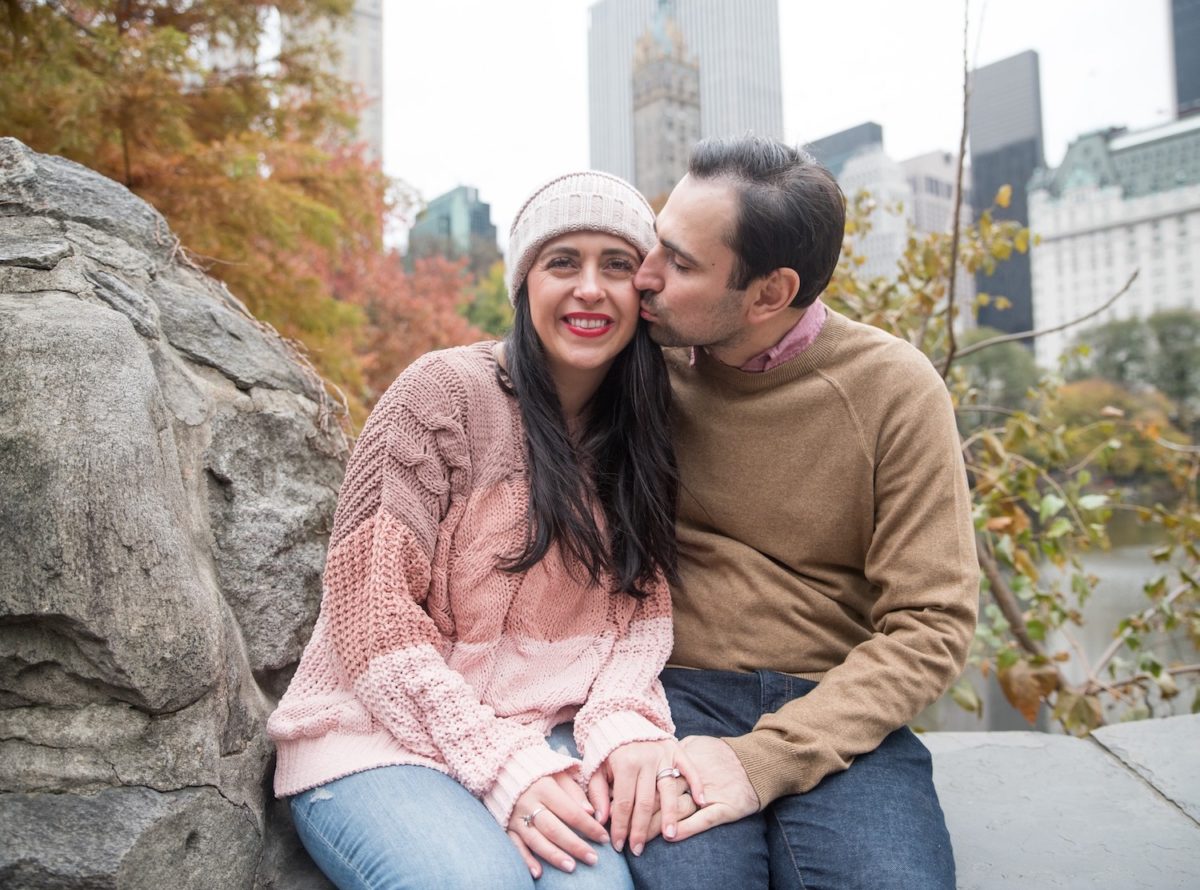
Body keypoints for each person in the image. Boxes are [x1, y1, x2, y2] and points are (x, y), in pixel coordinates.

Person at [267, 171, 699, 890]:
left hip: (541, 735)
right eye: (564, 262)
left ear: (642, 294)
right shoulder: (440, 395)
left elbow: (642, 617)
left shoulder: (644, 427)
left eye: (616, 265)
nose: (590, 288)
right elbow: (370, 618)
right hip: (379, 737)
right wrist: (498, 763)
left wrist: (622, 722)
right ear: (525, 282)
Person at [619, 136, 980, 889]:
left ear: (769, 294)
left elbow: (932, 624)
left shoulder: (894, 390)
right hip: (672, 695)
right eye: (658, 240)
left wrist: (762, 761)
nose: (643, 277)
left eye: (681, 264)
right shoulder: (635, 358)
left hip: (840, 706)